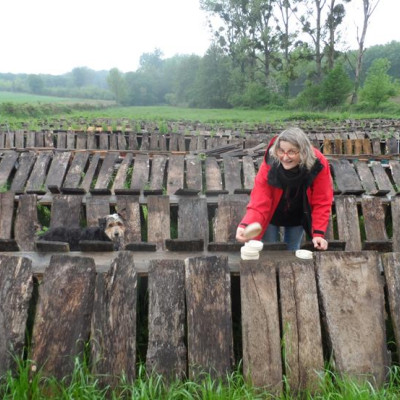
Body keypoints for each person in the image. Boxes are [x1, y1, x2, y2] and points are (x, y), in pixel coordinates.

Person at [236, 127, 333, 250]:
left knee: (292, 249)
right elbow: (260, 199)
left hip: (298, 211)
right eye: (281, 151)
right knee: (269, 249)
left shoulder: (318, 164)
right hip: (272, 211)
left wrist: (318, 233)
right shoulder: (271, 161)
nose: (285, 157)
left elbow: (322, 200)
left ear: (303, 152)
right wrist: (246, 225)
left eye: (292, 152)